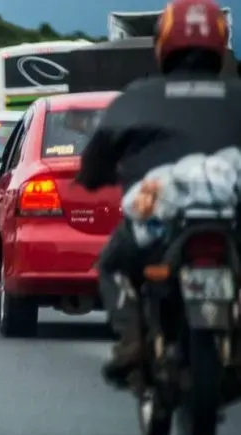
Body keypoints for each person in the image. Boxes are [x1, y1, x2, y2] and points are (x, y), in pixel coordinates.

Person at [75, 0, 241, 388]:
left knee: (112, 265)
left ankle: (132, 343)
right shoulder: (237, 96)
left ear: (163, 44)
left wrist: (92, 178)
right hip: (232, 216)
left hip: (162, 223)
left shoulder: (139, 96)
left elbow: (98, 154)